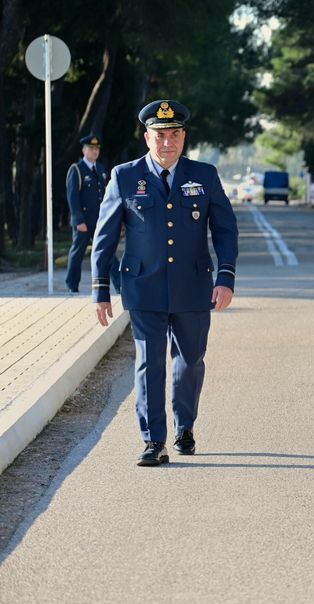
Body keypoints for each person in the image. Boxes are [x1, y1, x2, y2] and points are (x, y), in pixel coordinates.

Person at [91, 100, 239, 466]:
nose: (167, 142)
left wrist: (226, 277)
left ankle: (185, 425)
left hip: (193, 285)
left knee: (190, 361)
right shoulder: (125, 177)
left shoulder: (204, 175)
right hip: (143, 286)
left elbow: (224, 229)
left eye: (174, 134)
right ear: (147, 137)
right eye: (160, 135)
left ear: (184, 137)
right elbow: (105, 235)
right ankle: (153, 440)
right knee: (149, 362)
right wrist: (100, 288)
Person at [65, 134, 118, 294]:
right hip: (83, 221)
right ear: (84, 150)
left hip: (99, 221)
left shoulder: (101, 169)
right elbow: (72, 197)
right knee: (77, 254)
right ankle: (72, 286)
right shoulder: (77, 169)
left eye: (97, 148)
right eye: (91, 148)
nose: (95, 151)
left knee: (108, 252)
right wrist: (78, 220)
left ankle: (120, 285)